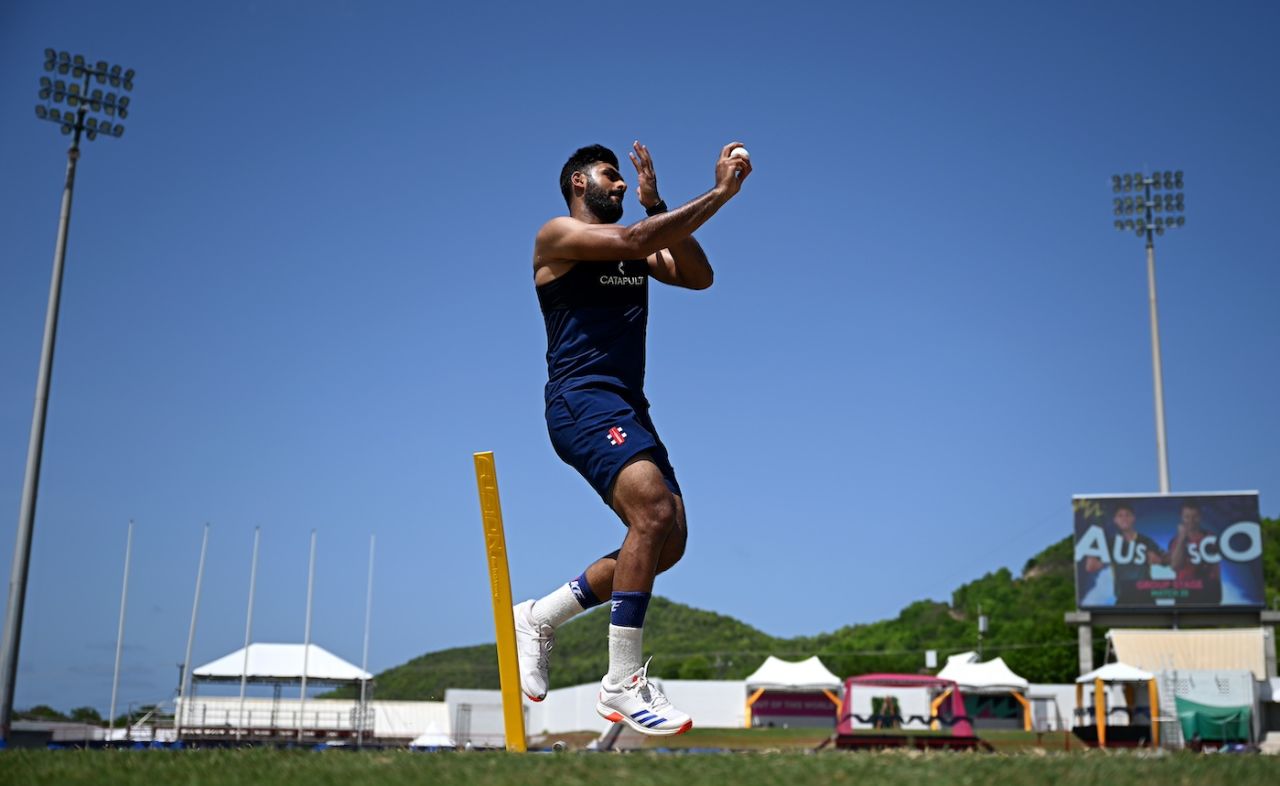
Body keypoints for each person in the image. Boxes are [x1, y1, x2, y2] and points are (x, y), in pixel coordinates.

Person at [511, 141, 751, 736]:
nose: (620, 185)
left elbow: (699, 276)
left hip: (628, 406)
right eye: (609, 175)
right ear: (578, 182)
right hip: (581, 400)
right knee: (652, 509)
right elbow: (635, 240)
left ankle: (540, 617)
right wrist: (720, 194)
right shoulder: (556, 235)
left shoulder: (638, 249)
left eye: (623, 179)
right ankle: (621, 680)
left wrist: (660, 205)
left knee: (668, 539)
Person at [1106, 503, 1168, 606]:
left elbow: (1167, 560)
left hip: (1146, 597)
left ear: (1133, 518)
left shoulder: (1146, 541)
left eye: (1127, 515)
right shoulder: (1110, 543)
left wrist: (1159, 559)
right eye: (1120, 516)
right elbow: (1093, 565)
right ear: (1115, 520)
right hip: (1123, 597)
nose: (1124, 518)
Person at [1168, 500, 1222, 605]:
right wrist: (1182, 538)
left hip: (1207, 591)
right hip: (1185, 591)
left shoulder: (1210, 537)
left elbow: (1216, 567)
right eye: (1187, 517)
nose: (1191, 520)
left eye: (1195, 516)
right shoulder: (1176, 541)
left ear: (1200, 517)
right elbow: (1175, 566)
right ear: (1181, 517)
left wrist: (1218, 590)